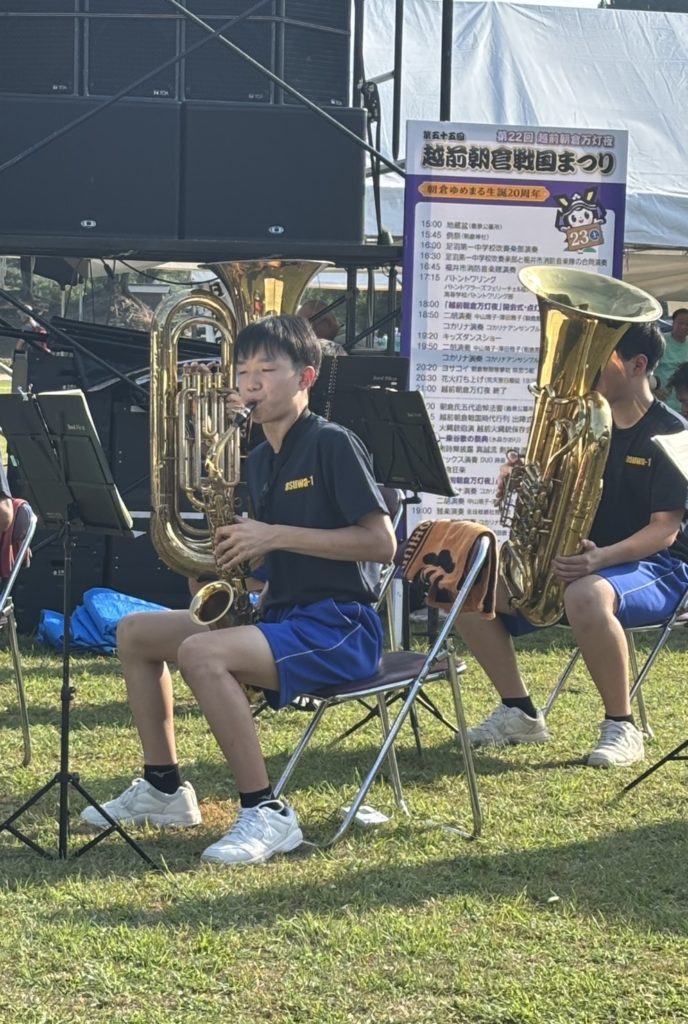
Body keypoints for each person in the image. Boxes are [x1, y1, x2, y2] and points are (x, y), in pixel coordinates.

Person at [80, 314, 396, 865]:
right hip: (280, 615)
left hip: (341, 626)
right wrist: (224, 566)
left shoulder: (332, 443)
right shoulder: (259, 457)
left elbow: (381, 544)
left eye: (266, 371)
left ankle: (266, 810)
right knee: (134, 633)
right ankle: (163, 788)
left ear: (306, 377)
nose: (251, 383)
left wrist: (272, 534)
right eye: (244, 371)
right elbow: (272, 561)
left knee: (201, 653)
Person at [456, 321, 688, 768]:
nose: (587, 370)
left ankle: (622, 725)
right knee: (468, 581)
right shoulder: (580, 424)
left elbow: (665, 530)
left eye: (601, 358)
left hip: (661, 566)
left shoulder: (674, 431)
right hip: (586, 560)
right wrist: (524, 480)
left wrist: (599, 559)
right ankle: (519, 712)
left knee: (584, 594)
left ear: (638, 365)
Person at [655, 308, 688, 411]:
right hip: (661, 401)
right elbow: (646, 369)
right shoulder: (659, 341)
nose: (683, 327)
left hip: (684, 405)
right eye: (680, 323)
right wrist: (654, 389)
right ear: (673, 323)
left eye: (687, 324)